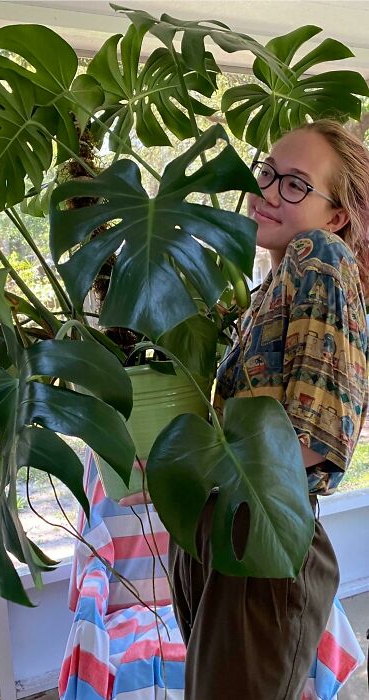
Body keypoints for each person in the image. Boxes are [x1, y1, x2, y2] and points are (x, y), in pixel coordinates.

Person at [167, 120, 369, 698]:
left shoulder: (319, 253)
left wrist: (184, 469)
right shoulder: (277, 281)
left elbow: (312, 437)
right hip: (235, 529)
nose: (270, 191)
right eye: (268, 173)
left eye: (297, 185)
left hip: (259, 534)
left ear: (336, 216)